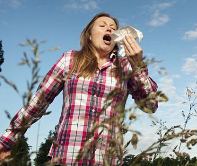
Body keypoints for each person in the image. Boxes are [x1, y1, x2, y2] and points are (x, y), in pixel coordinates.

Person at [0, 12, 158, 165]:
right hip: (67, 156)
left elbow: (150, 106)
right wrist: (8, 140)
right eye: (102, 25)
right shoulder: (70, 60)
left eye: (113, 27)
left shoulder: (125, 67)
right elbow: (39, 102)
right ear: (89, 35)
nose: (109, 29)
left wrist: (138, 65)